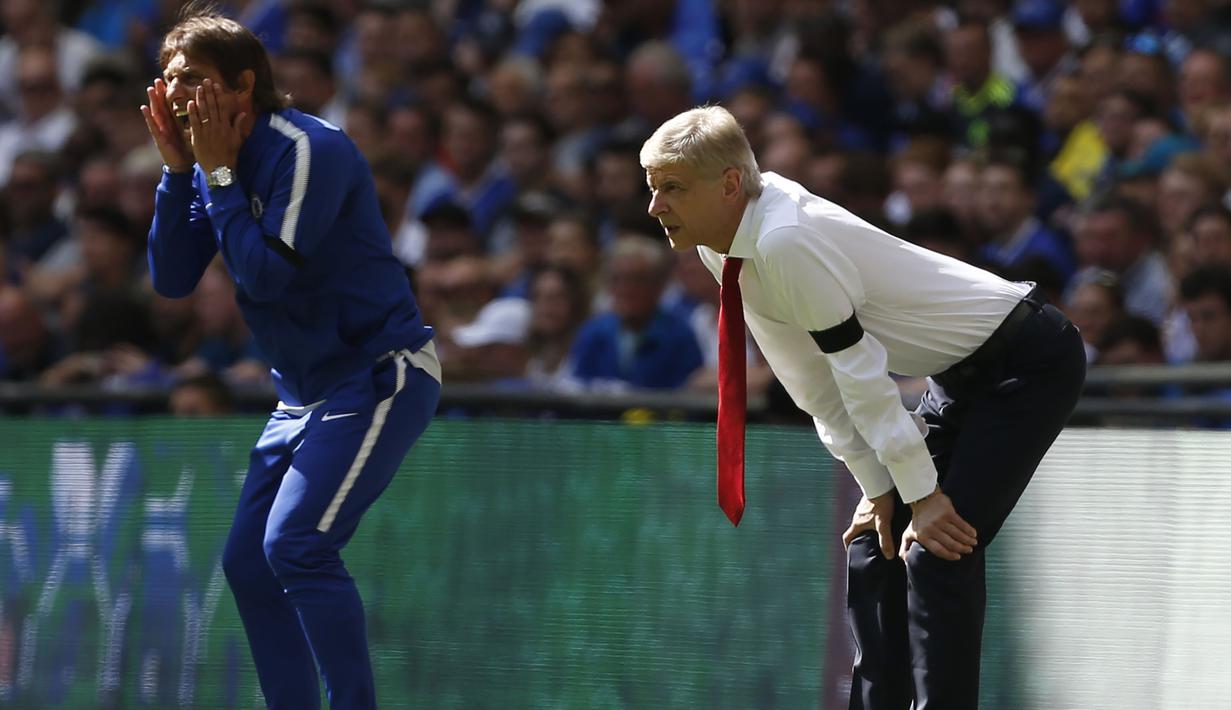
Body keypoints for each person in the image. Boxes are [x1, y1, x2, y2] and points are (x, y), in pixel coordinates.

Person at [640, 106, 1086, 710]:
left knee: (937, 547)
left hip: (1027, 363)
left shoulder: (784, 239)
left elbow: (857, 369)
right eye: (653, 188)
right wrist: (879, 485)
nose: (655, 207)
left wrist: (923, 498)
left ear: (727, 185)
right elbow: (808, 379)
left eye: (671, 188)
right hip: (958, 375)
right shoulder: (719, 240)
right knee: (873, 545)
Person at [141, 9, 440, 709]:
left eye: (196, 79)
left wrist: (213, 177)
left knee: (297, 545)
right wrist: (179, 173)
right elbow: (172, 280)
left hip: (378, 374)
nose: (178, 93)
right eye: (170, 78)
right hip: (301, 397)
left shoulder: (307, 148)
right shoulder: (215, 163)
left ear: (244, 85)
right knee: (248, 563)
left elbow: (266, 274)